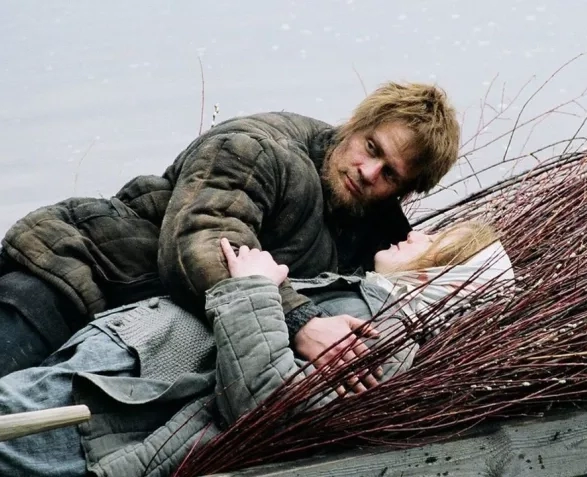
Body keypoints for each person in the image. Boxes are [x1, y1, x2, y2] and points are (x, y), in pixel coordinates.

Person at [0, 81, 461, 378]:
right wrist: (299, 321)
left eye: (390, 173)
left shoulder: (373, 224)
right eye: (371, 147)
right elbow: (201, 246)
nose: (368, 171)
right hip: (67, 277)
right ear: (356, 125)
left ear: (405, 190)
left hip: (127, 330)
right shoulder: (260, 150)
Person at [0, 221, 514, 477]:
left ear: (431, 277)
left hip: (118, 401)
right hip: (120, 366)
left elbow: (267, 401)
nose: (416, 231)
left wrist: (254, 287)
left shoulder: (383, 335)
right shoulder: (368, 298)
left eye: (434, 240)